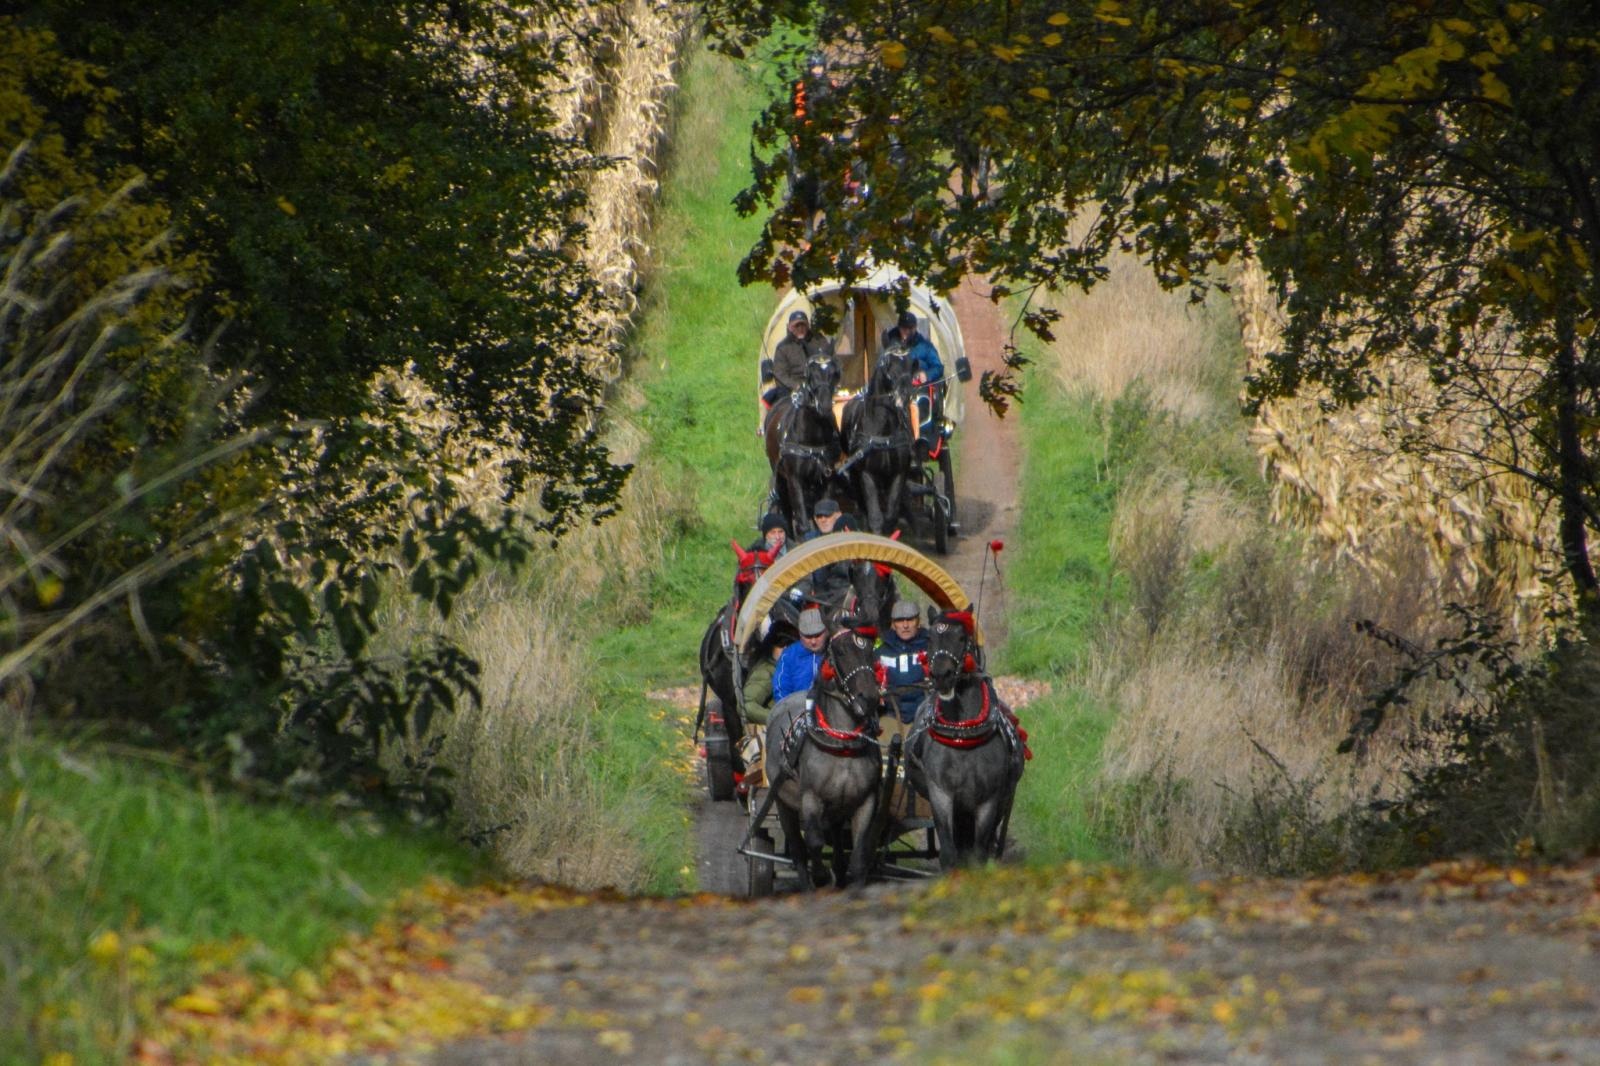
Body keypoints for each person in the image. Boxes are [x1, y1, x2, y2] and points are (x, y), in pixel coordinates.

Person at [884, 310, 945, 449]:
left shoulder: (925, 346)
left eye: (908, 329)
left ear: (914, 328)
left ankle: (917, 437)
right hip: (894, 388)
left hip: (916, 389)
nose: (905, 332)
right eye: (903, 328)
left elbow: (938, 367)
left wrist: (926, 375)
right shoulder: (890, 343)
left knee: (914, 403)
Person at [877, 599, 930, 735]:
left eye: (910, 620)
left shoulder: (931, 647)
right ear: (893, 624)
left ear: (918, 621)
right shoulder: (881, 651)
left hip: (926, 715)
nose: (905, 625)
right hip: (890, 715)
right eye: (900, 621)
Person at [767, 309, 836, 404]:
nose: (800, 328)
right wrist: (797, 386)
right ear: (789, 327)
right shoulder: (783, 347)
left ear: (808, 326)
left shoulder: (818, 340)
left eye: (803, 325)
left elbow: (829, 361)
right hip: (793, 391)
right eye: (796, 326)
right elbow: (780, 374)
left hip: (819, 386)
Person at [770, 607, 828, 706]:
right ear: (800, 634)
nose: (813, 641)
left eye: (818, 635)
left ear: (826, 632)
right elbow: (781, 688)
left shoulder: (834, 649)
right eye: (808, 637)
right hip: (798, 709)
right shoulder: (789, 655)